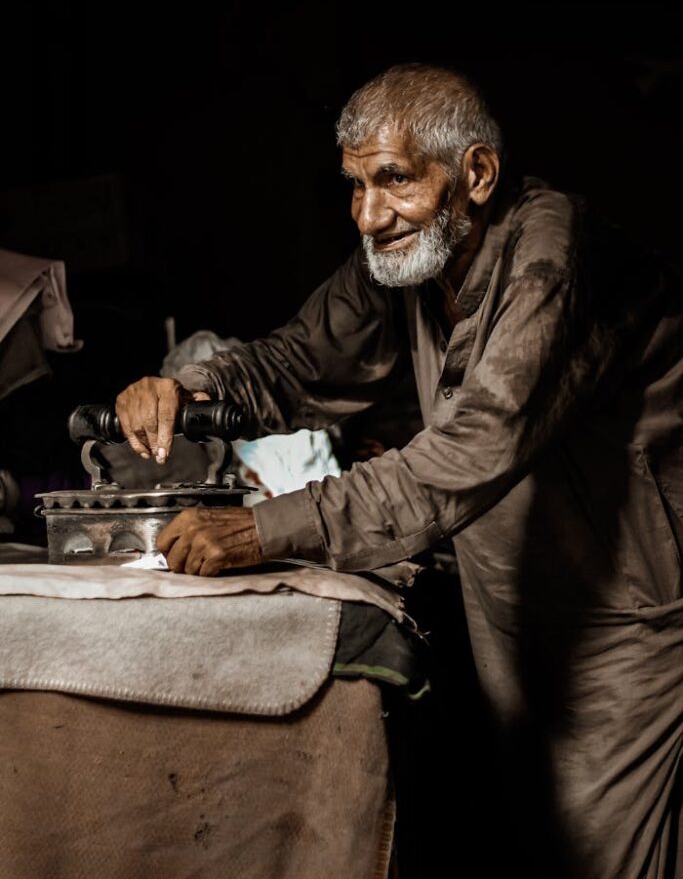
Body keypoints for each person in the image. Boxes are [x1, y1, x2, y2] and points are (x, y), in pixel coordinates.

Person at [116, 64, 683, 878]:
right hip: (505, 600)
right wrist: (185, 389)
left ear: (476, 175)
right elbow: (294, 361)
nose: (368, 217)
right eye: (353, 186)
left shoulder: (552, 261)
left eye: (393, 181)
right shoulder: (416, 255)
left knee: (598, 856)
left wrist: (264, 528)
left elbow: (470, 450)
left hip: (619, 618)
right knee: (523, 839)